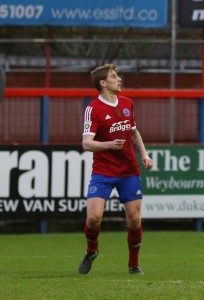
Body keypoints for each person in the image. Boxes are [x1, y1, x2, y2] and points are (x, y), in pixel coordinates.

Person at [79, 64, 154, 275]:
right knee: (93, 217)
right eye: (114, 76)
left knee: (134, 219)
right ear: (103, 83)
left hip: (129, 171)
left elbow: (134, 132)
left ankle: (133, 264)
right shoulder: (93, 109)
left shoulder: (127, 103)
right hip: (103, 172)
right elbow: (87, 143)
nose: (119, 79)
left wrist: (145, 155)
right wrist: (108, 145)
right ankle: (91, 251)